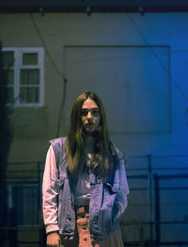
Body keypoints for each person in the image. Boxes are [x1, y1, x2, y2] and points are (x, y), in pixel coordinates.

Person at [42, 91, 129, 247]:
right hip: (70, 228)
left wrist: (113, 215)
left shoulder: (113, 153)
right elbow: (49, 190)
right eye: (84, 113)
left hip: (106, 230)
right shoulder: (58, 149)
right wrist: (51, 229)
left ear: (101, 117)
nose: (90, 117)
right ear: (77, 117)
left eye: (95, 112)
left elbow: (122, 193)